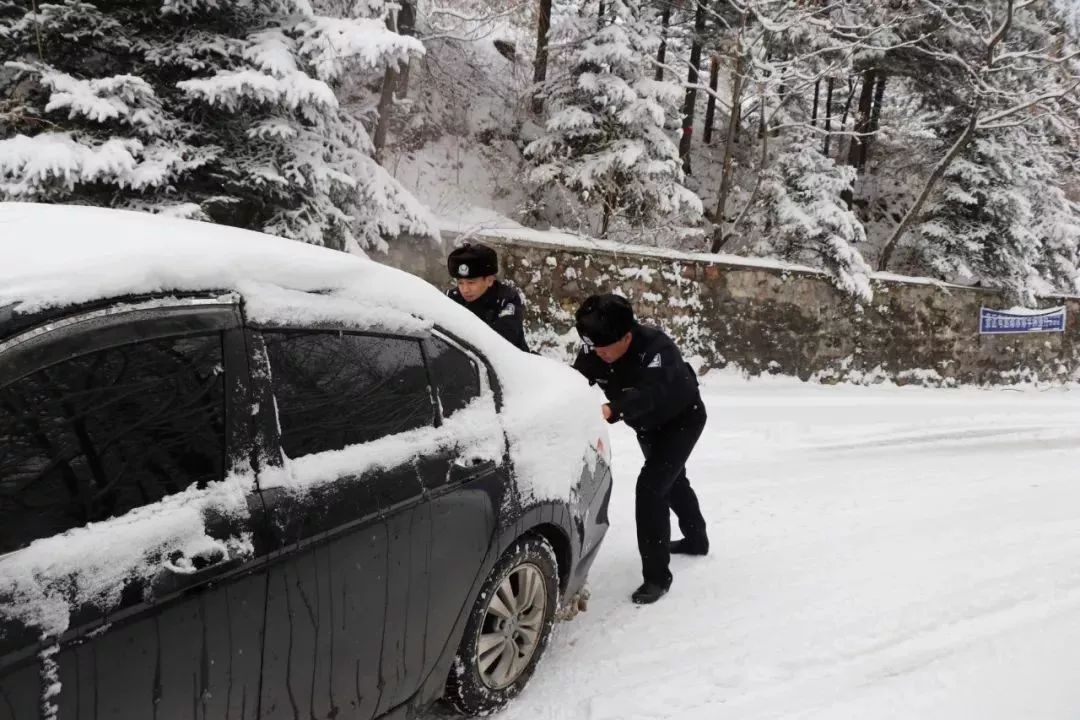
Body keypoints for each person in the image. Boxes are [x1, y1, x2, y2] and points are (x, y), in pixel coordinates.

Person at [572, 293, 708, 605]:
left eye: (606, 346)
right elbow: (578, 379)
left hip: (681, 420)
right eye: (595, 347)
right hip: (647, 426)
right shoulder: (595, 348)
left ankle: (657, 578)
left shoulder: (657, 349)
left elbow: (650, 394)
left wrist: (611, 409)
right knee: (671, 482)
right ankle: (697, 539)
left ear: (628, 336)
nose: (600, 353)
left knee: (650, 489)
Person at [446, 242, 529, 352]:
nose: (465, 290)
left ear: (489, 281)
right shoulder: (452, 298)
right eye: (460, 283)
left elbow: (501, 343)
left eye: (471, 283)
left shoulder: (506, 300)